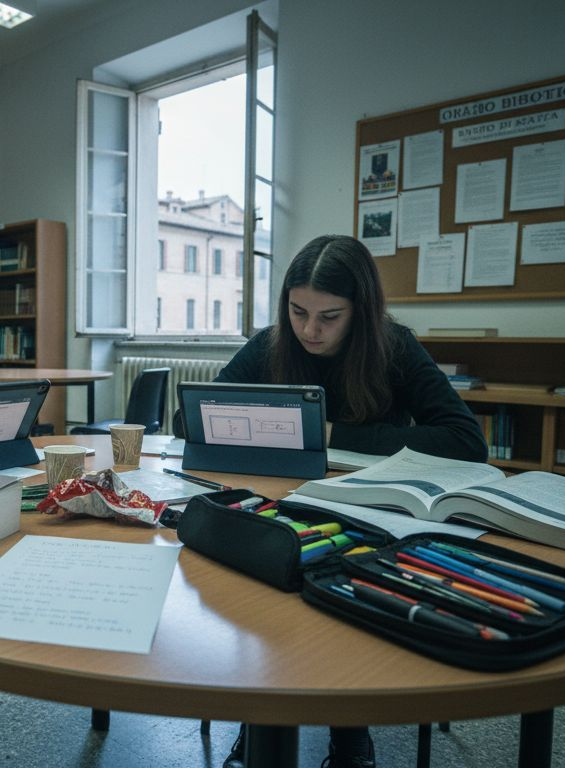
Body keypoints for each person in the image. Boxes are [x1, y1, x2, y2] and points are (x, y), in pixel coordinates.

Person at [211, 234, 487, 768]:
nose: (309, 330)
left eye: (329, 316)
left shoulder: (395, 346)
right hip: (281, 506)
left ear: (361, 312)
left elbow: (464, 441)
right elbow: (194, 415)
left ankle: (351, 735)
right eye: (298, 311)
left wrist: (333, 431)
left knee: (342, 586)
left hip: (366, 514)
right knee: (263, 583)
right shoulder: (273, 342)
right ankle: (261, 720)